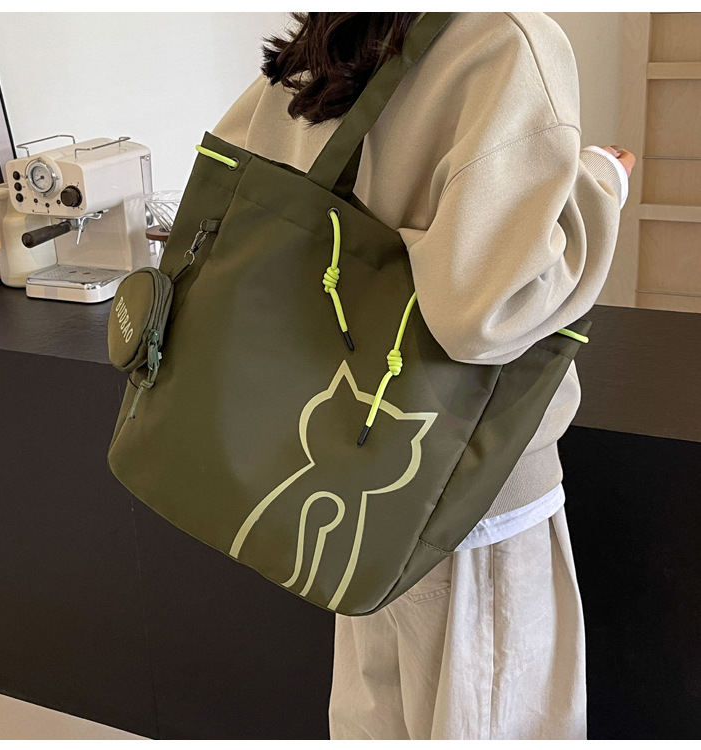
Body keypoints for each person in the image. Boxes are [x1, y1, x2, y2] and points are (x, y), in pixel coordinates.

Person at [211, 12, 635, 740]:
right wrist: (600, 183)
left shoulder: (334, 34)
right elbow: (488, 309)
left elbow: (238, 210)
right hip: (475, 494)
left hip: (350, 487)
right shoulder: (506, 39)